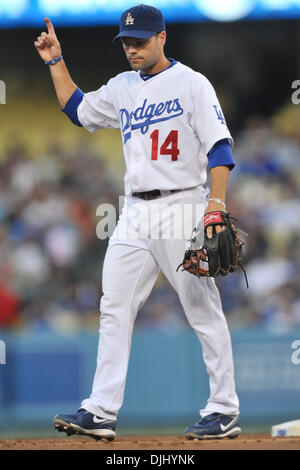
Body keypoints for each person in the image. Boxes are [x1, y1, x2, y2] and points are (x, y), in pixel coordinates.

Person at [34, 4, 241, 441]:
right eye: (127, 41)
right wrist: (56, 61)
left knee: (202, 309)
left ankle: (223, 409)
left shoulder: (192, 84)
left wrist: (216, 204)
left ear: (162, 37)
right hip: (135, 211)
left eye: (140, 40)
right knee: (114, 305)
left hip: (184, 204)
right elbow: (79, 109)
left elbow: (220, 148)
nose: (132, 48)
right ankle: (101, 410)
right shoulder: (122, 87)